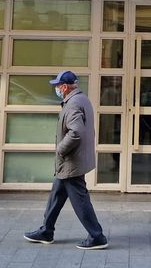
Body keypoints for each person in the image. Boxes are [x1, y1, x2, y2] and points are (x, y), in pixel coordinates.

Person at [24, 70, 108, 250]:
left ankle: (97, 236)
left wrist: (61, 149)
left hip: (71, 161)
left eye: (57, 85)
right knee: (57, 194)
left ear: (64, 87)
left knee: (80, 199)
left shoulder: (72, 105)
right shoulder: (82, 99)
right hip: (73, 160)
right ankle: (46, 231)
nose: (56, 89)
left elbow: (76, 132)